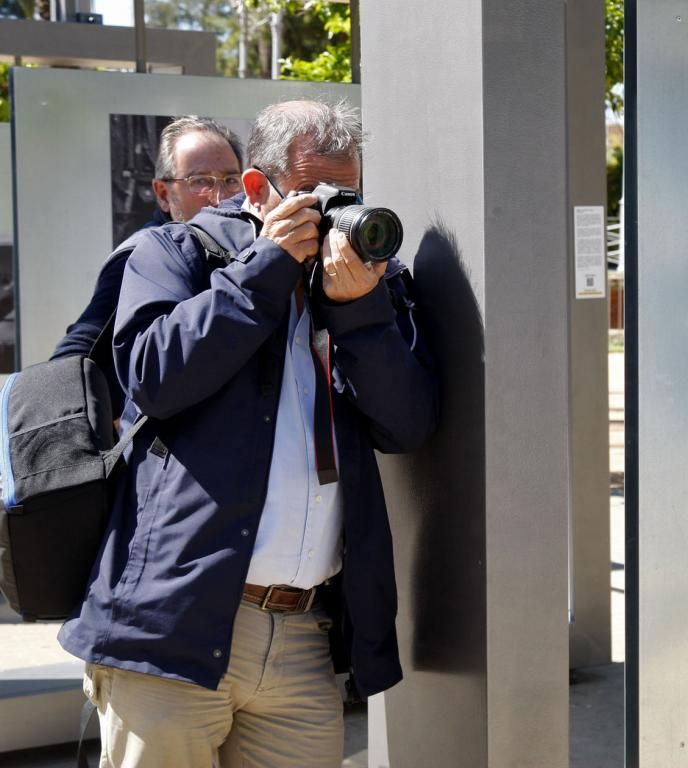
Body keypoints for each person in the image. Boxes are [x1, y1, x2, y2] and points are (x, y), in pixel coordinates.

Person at [58, 99, 439, 767]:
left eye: (346, 193)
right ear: (258, 190)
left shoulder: (370, 280)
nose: (333, 214)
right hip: (172, 626)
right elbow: (152, 374)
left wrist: (361, 316)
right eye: (314, 194)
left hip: (302, 638)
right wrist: (263, 273)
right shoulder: (173, 251)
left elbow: (407, 426)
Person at [51, 116, 244, 403]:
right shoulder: (139, 256)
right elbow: (76, 352)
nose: (219, 197)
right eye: (200, 181)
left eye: (230, 180)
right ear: (163, 194)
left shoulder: (241, 245)